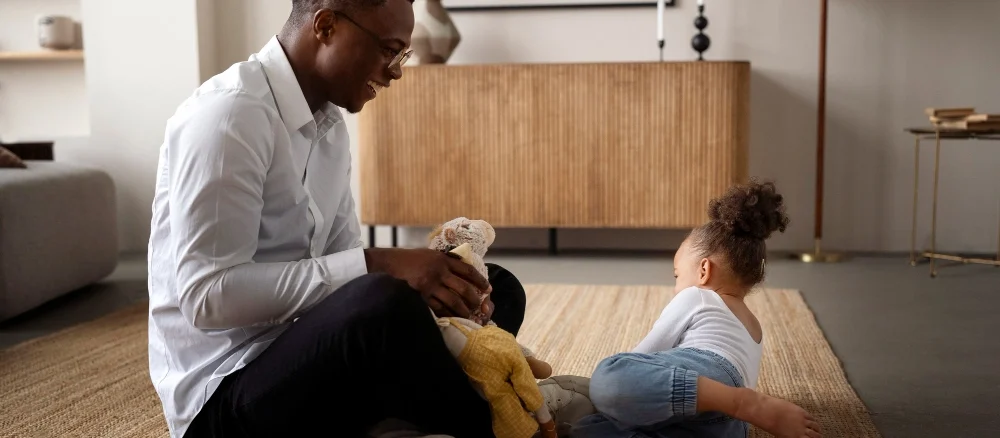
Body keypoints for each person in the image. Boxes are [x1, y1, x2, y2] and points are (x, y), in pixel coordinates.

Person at [146, 1, 531, 437]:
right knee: (382, 304)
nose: (396, 71)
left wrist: (419, 278)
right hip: (225, 396)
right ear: (326, 25)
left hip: (315, 360)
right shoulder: (229, 115)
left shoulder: (328, 125)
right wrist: (382, 265)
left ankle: (440, 410)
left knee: (487, 286)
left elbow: (343, 268)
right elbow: (206, 297)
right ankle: (502, 423)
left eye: (401, 54)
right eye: (389, 50)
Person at [572, 180, 823, 438]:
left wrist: (616, 395)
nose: (676, 288)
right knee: (589, 431)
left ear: (704, 270)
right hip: (728, 426)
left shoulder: (697, 297)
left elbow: (643, 355)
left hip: (712, 379)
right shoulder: (754, 328)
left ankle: (748, 402)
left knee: (610, 375)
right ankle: (739, 402)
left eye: (677, 275)